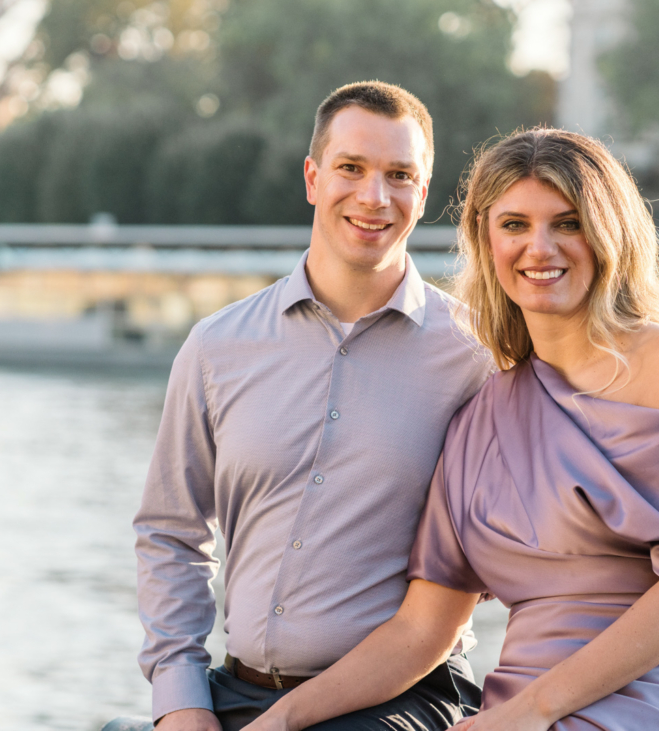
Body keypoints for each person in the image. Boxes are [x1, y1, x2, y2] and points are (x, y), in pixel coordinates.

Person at [241, 128, 659, 731]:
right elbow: (422, 629)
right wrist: (281, 721)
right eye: (514, 225)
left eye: (568, 223)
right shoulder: (480, 413)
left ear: (609, 232)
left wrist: (532, 712)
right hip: (515, 708)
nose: (539, 248)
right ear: (485, 240)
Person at [135, 81, 493, 731]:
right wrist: (181, 702)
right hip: (235, 691)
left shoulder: (474, 363)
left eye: (399, 175)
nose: (374, 196)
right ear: (312, 176)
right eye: (351, 169)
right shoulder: (217, 347)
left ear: (424, 190)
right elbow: (170, 532)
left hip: (400, 700)